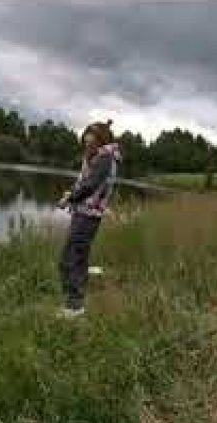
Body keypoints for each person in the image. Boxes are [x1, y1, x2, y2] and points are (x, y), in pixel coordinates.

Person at [55, 120, 122, 317]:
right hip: (87, 213)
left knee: (68, 259)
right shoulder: (101, 158)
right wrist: (72, 195)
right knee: (79, 256)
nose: (86, 140)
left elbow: (90, 186)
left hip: (88, 214)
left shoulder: (104, 158)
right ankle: (78, 298)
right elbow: (87, 183)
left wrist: (69, 199)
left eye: (91, 137)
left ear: (100, 139)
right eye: (85, 136)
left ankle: (74, 306)